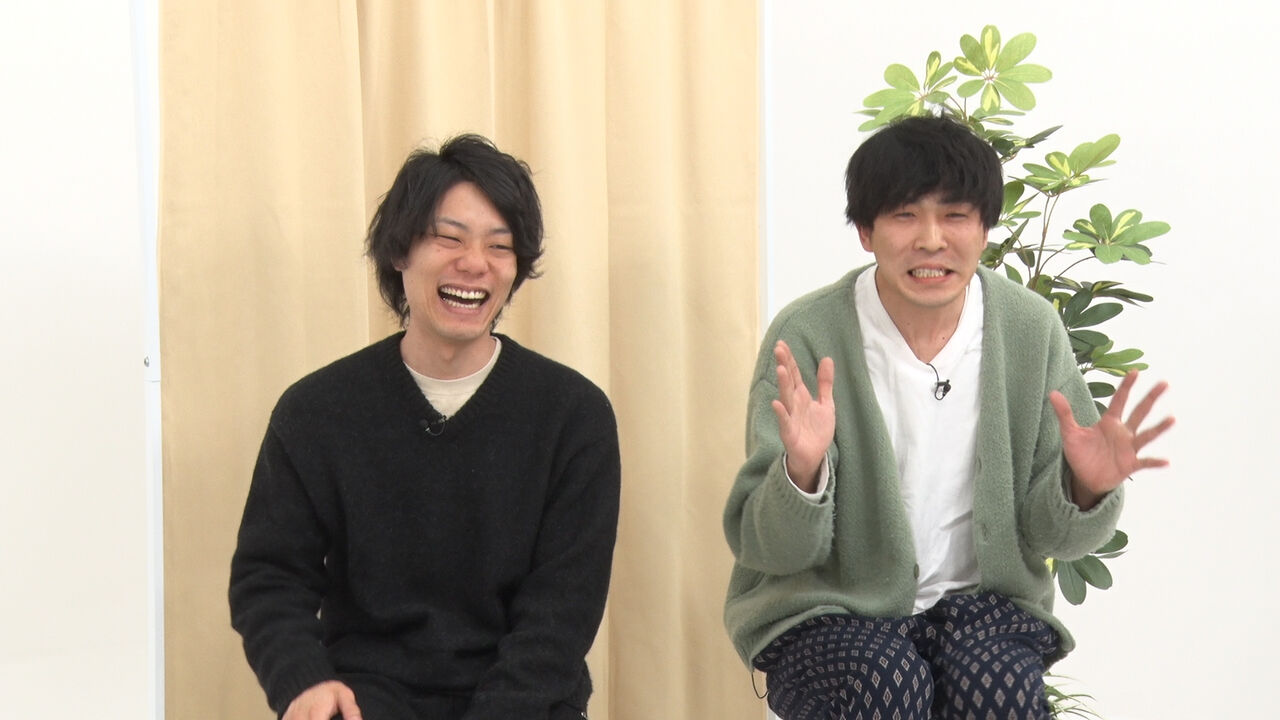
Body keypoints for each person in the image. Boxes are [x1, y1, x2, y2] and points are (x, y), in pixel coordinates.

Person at [722, 115, 1172, 720]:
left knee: (999, 691)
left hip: (983, 607)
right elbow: (770, 550)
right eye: (905, 215)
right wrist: (801, 476)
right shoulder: (808, 334)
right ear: (866, 231)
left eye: (955, 215)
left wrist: (1084, 489)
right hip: (832, 608)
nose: (931, 240)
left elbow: (1054, 539)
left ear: (985, 228)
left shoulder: (1029, 329)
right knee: (886, 684)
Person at [230, 134, 621, 720]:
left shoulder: (573, 415)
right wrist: (303, 681)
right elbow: (269, 577)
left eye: (500, 245)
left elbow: (562, 613)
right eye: (449, 237)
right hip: (367, 698)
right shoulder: (316, 411)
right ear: (399, 251)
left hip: (525, 703)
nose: (475, 263)